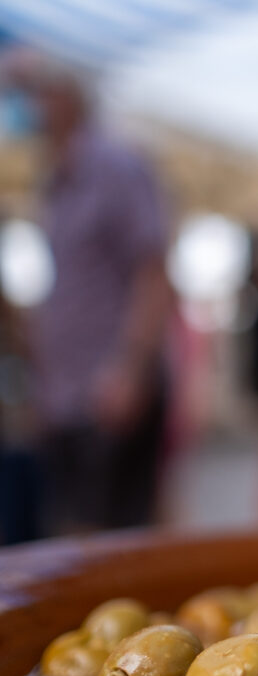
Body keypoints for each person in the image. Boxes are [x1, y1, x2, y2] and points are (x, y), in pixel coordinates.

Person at [0, 50, 174, 536]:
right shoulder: (56, 177)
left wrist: (130, 369)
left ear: (62, 95)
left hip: (109, 389)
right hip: (69, 396)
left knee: (108, 541)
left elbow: (153, 270)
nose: (16, 104)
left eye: (24, 91)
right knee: (74, 533)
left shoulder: (114, 165)